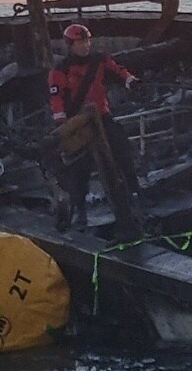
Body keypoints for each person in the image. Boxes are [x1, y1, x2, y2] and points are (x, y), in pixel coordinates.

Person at [48, 23, 140, 228]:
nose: (86, 46)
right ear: (70, 45)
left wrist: (130, 80)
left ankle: (135, 192)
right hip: (77, 123)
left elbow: (118, 70)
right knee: (79, 168)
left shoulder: (99, 60)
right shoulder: (60, 71)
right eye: (81, 42)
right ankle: (79, 210)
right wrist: (64, 127)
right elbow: (57, 100)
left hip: (102, 116)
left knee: (122, 151)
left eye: (87, 41)